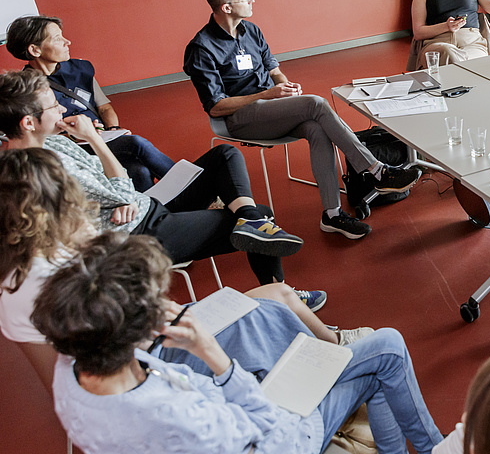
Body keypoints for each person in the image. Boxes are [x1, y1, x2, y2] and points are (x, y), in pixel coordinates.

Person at [35, 232, 444, 454]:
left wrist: (238, 442)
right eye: (157, 300)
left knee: (344, 361)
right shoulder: (172, 411)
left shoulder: (73, 375)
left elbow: (206, 406)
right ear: (136, 328)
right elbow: (263, 421)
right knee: (387, 349)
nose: (168, 304)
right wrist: (212, 355)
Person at [0, 148, 366, 393]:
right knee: (278, 297)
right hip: (156, 360)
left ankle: (330, 347)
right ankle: (336, 354)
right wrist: (96, 242)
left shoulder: (19, 272)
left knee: (276, 295)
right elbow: (134, 320)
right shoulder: (69, 269)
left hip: (122, 361)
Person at [0, 69, 323, 301]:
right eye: (53, 106)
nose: (62, 108)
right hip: (137, 233)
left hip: (143, 208)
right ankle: (284, 296)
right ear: (28, 122)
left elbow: (113, 182)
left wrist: (122, 193)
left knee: (224, 155)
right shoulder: (38, 168)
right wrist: (95, 139)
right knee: (263, 213)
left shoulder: (54, 141)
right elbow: (119, 189)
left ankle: (249, 220)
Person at [183, 0, 421, 240]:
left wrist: (285, 87)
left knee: (316, 128)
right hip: (239, 117)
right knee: (315, 103)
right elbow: (216, 108)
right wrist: (268, 94)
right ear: (226, 7)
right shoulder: (202, 48)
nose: (252, 0)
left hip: (272, 107)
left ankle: (332, 215)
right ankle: (376, 170)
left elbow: (274, 70)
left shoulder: (251, 30)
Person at [5, 15, 175, 191]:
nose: (67, 42)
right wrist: (79, 134)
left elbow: (104, 107)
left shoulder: (80, 70)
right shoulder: (27, 88)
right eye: (57, 38)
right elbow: (36, 133)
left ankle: (161, 205)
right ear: (35, 50)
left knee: (138, 170)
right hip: (72, 148)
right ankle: (187, 187)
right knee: (136, 143)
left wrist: (113, 129)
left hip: (102, 138)